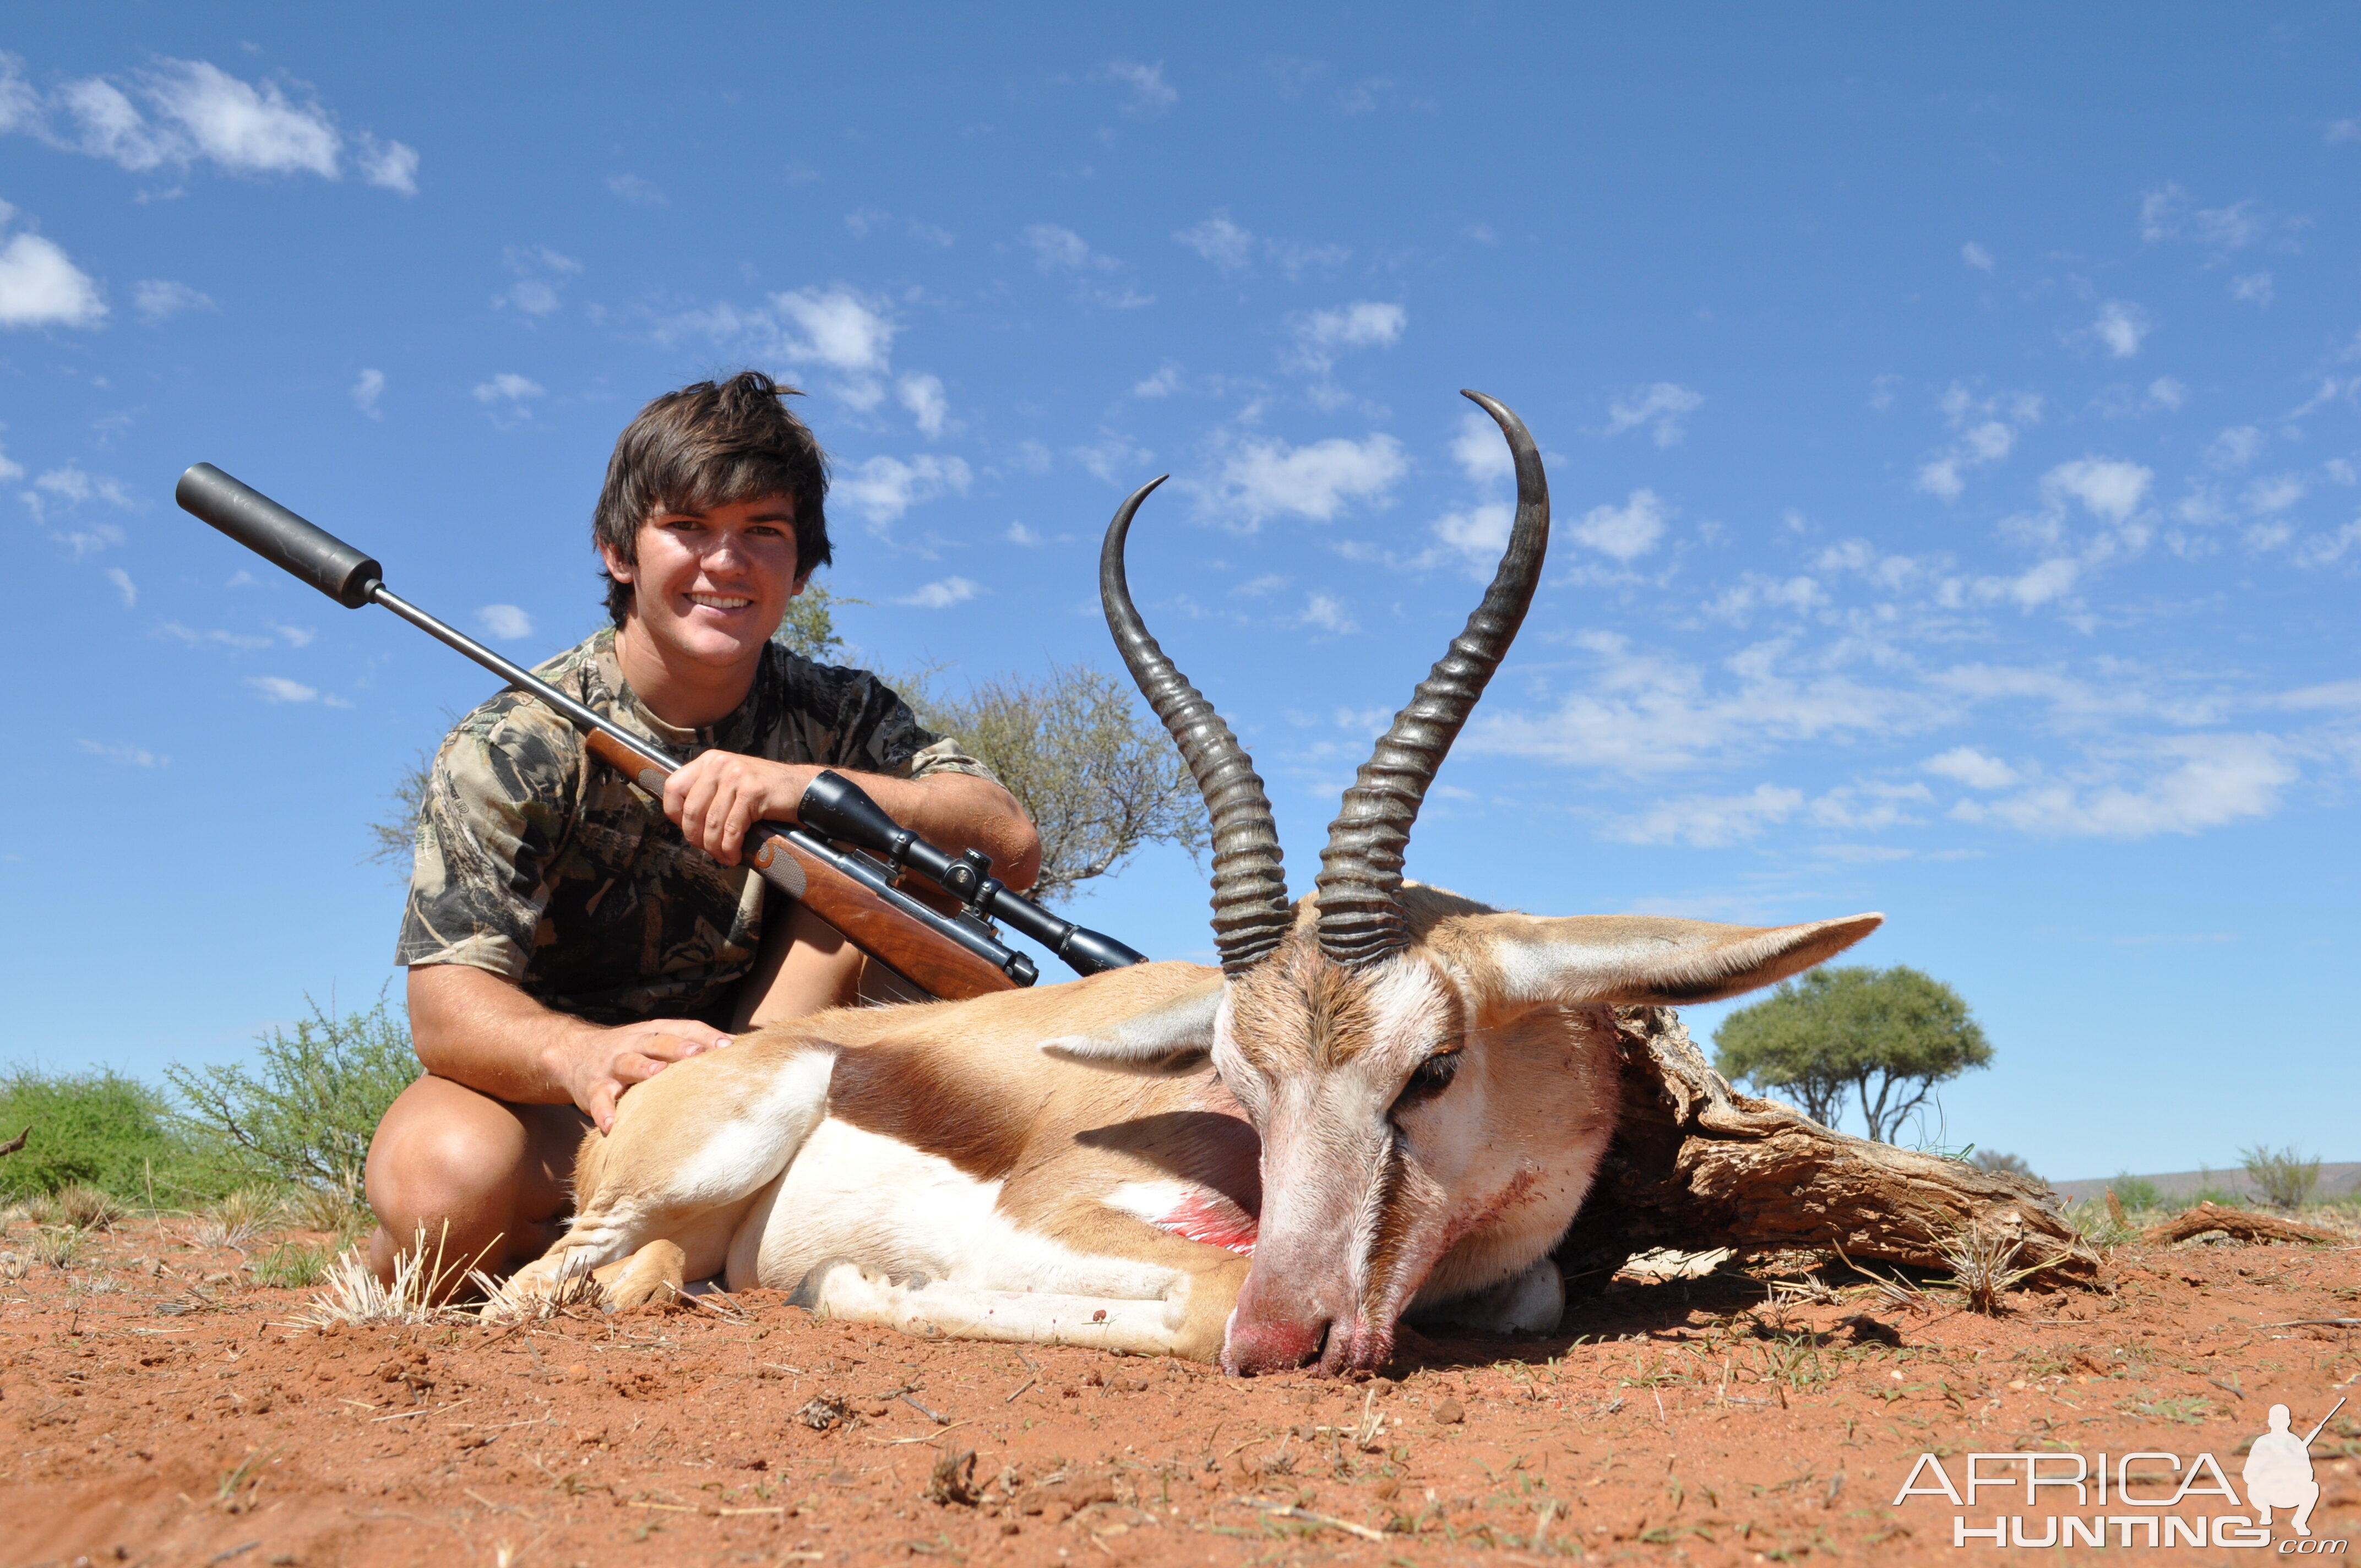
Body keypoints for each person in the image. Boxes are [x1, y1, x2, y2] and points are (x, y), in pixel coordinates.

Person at [363, 371, 1041, 1284]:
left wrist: (801, 786)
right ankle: (621, 1237)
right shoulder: (512, 744)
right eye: (687, 527)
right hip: (576, 1096)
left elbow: (1005, 839)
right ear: (618, 552)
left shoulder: (836, 716)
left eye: (762, 533)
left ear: (799, 570)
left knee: (904, 873)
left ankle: (712, 1215)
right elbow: (447, 1012)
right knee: (441, 1185)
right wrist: (583, 1053)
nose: (726, 561)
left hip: (762, 1074)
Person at [2243, 1402, 2322, 1537]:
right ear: (2270, 1421)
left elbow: (2309, 1474)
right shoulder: (2262, 1442)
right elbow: (2248, 1473)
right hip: (2267, 1493)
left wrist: (2292, 1469)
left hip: (2291, 1491)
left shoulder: (2296, 1443)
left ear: (2288, 1421)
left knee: (2313, 1487)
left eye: (2282, 1418)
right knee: (2252, 1487)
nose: (2279, 1421)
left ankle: (2300, 1521)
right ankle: (2265, 1512)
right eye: (2276, 1418)